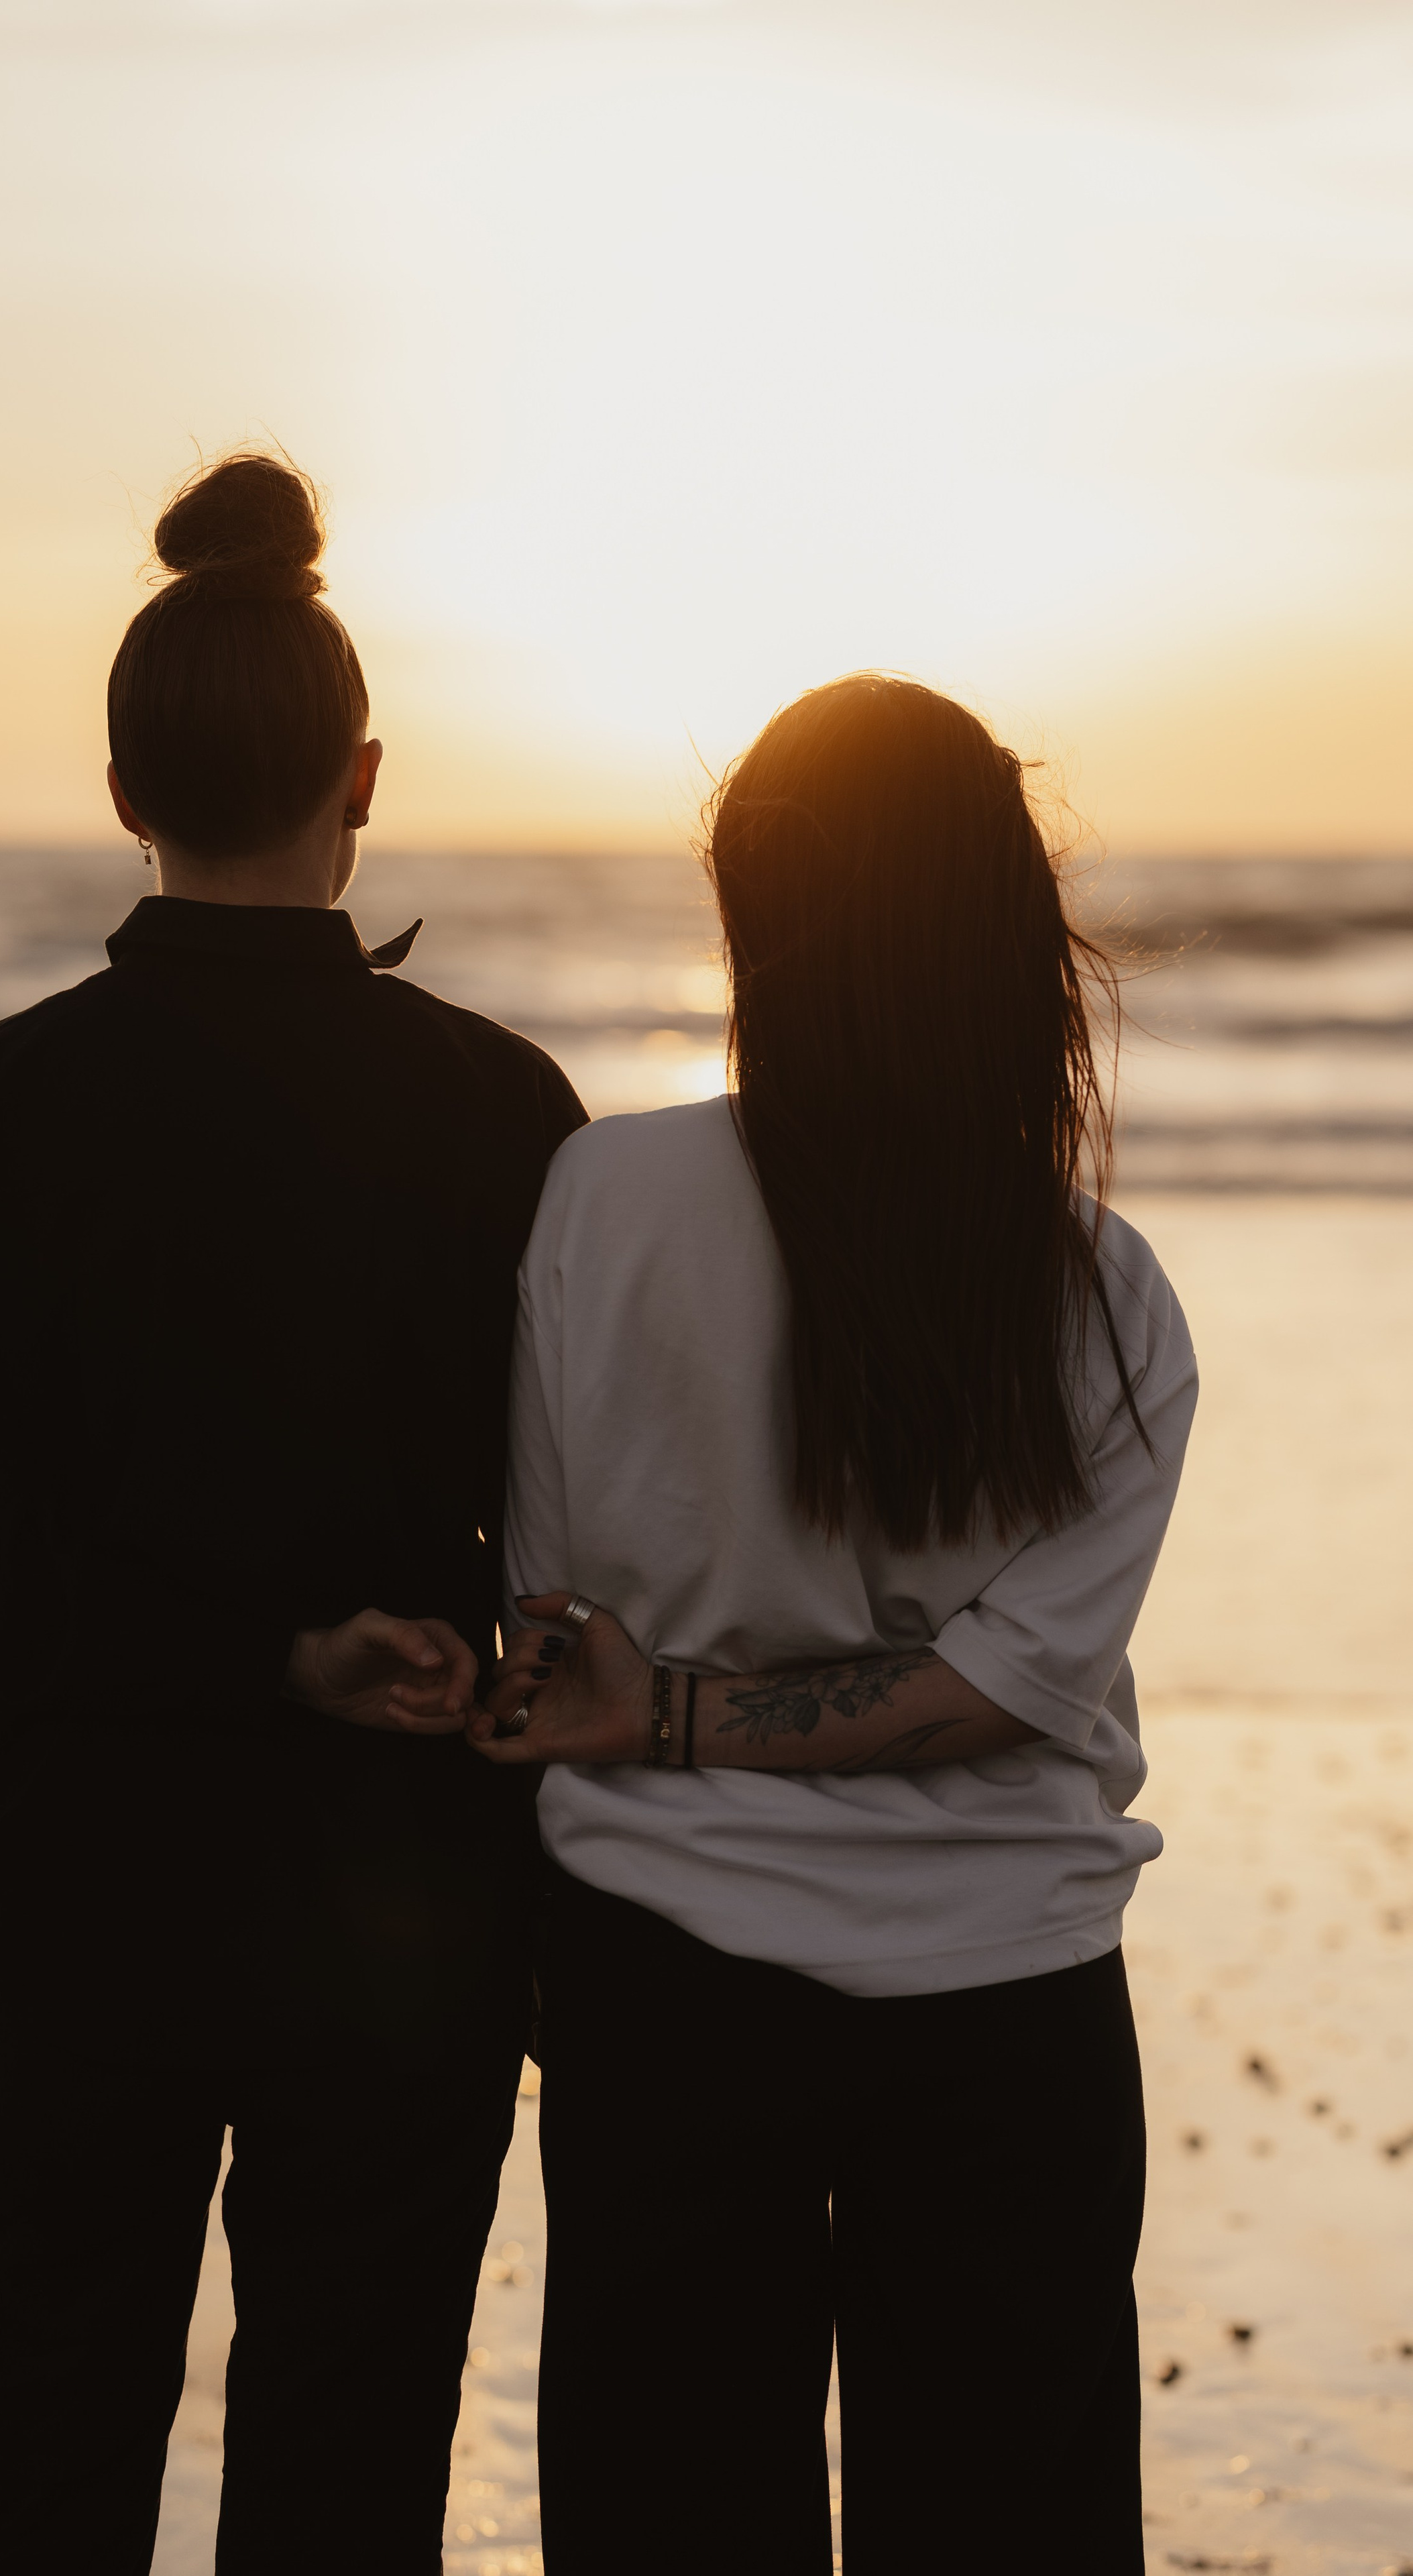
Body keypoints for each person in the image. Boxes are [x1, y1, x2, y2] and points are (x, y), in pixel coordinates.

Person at [0, 449, 585, 2573]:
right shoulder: (501, 1112)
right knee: (349, 2457)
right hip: (403, 1886)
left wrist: (237, 1651)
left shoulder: (10, 1107)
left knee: (23, 2446)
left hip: (70, 1874)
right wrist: (449, 1651)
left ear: (122, 784)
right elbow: (570, 1521)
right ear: (362, 773)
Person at [471, 675, 1198, 2576]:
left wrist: (665, 1724)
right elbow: (992, 1689)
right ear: (1003, 943)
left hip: (666, 1986)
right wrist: (688, 1710)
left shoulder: (604, 1201)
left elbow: (554, 1622)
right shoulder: (1104, 1297)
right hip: (1005, 2002)